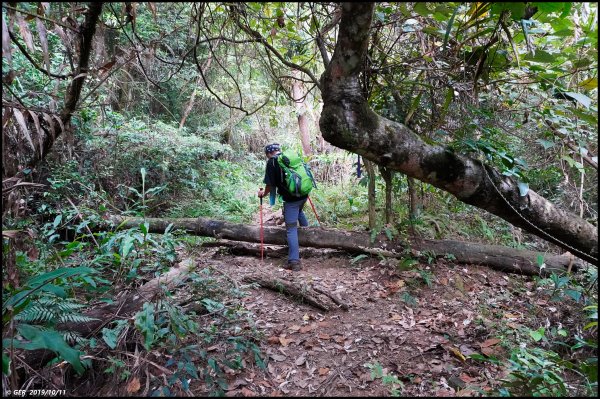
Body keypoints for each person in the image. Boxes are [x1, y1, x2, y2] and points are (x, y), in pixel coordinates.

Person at [258, 143, 308, 271]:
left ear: (268, 154)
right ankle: (309, 237)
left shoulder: (272, 162)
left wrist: (263, 194)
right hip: (304, 193)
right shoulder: (288, 157)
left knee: (291, 229)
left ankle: (294, 261)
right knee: (299, 211)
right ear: (278, 150)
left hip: (291, 199)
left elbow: (269, 185)